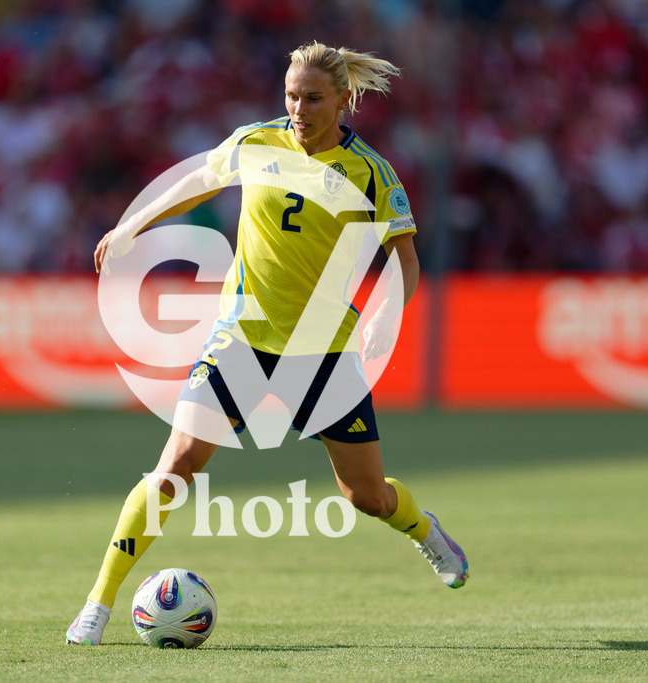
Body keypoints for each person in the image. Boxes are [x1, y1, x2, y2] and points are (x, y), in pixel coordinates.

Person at [67, 41, 468, 646]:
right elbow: (202, 179)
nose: (299, 109)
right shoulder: (257, 142)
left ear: (342, 100)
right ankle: (97, 605)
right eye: (291, 96)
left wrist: (390, 309)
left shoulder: (372, 173)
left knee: (367, 497)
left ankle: (423, 531)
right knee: (175, 467)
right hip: (240, 340)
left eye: (312, 98)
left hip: (323, 355)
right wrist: (134, 224)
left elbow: (405, 259)